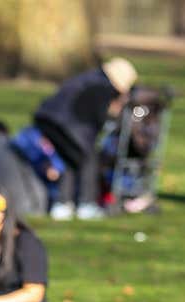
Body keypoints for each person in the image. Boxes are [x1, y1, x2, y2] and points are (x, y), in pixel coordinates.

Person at [33, 57, 138, 221]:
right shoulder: (102, 87)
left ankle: (62, 205)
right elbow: (98, 117)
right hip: (67, 125)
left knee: (70, 159)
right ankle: (86, 205)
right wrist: (114, 113)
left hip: (48, 118)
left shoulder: (88, 77)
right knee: (89, 158)